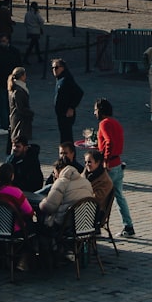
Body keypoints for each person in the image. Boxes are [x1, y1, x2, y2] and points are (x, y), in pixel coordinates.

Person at [94, 98, 134, 237]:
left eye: (96, 109)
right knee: (119, 196)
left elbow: (109, 142)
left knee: (100, 196)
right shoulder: (116, 123)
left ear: (101, 110)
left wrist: (105, 159)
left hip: (109, 165)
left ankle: (96, 226)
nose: (94, 113)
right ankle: (128, 226)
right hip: (117, 163)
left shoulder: (104, 123)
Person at [38, 157, 93, 229]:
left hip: (65, 223)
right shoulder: (86, 182)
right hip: (84, 223)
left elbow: (49, 207)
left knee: (41, 221)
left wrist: (43, 202)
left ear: (59, 170)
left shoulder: (61, 182)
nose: (54, 176)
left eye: (54, 173)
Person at [52, 58, 84, 144]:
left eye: (56, 67)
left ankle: (70, 155)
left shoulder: (66, 79)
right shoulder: (59, 78)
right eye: (53, 68)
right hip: (61, 113)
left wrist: (71, 107)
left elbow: (79, 92)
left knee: (67, 138)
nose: (54, 70)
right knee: (64, 137)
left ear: (62, 68)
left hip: (66, 114)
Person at [7, 66, 33, 147]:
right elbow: (20, 108)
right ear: (22, 76)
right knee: (19, 142)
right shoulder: (19, 90)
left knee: (17, 141)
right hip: (20, 121)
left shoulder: (14, 87)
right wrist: (30, 113)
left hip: (16, 119)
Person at [82, 149, 114, 213]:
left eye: (89, 162)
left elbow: (96, 200)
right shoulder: (85, 173)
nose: (87, 164)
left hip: (94, 211)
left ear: (98, 162)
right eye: (85, 162)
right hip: (81, 205)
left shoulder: (105, 181)